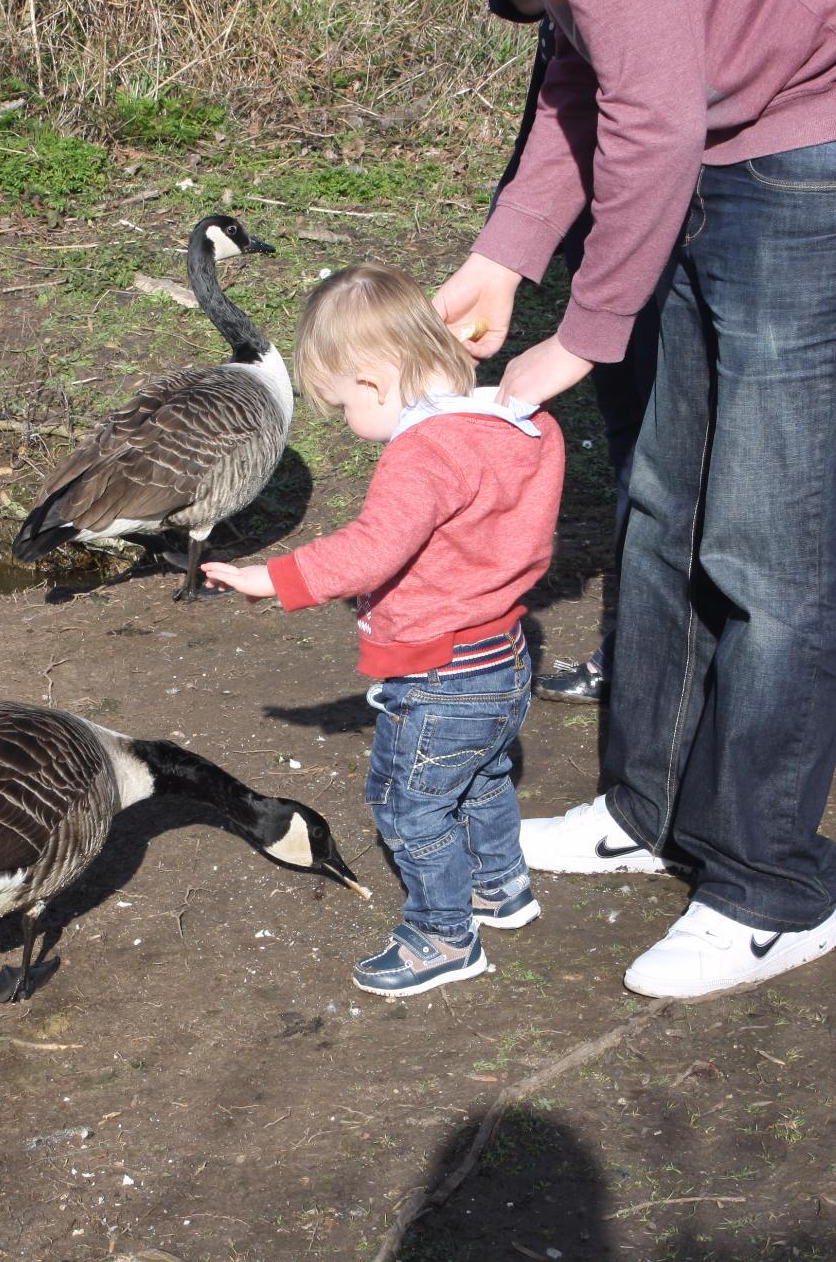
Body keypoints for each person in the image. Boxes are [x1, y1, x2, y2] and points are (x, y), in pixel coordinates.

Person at [435, 0, 836, 998]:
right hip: (722, 113)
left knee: (770, 531)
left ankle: (771, 892)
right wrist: (505, 251)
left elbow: (651, 115)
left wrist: (583, 331)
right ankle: (652, 812)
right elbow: (588, 54)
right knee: (667, 495)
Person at [203, 263, 565, 997]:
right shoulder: (518, 422)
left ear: (372, 381)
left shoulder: (424, 453)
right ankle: (500, 887)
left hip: (440, 669)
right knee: (483, 773)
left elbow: (374, 546)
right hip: (504, 653)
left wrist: (274, 579)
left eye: (341, 408)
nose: (347, 425)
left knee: (410, 802)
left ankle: (443, 935)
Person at [479, 0, 657, 707]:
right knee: (638, 415)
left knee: (730, 445)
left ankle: (686, 655)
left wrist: (584, 331)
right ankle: (648, 645)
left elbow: (658, 118)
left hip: (759, 142)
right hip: (602, 118)